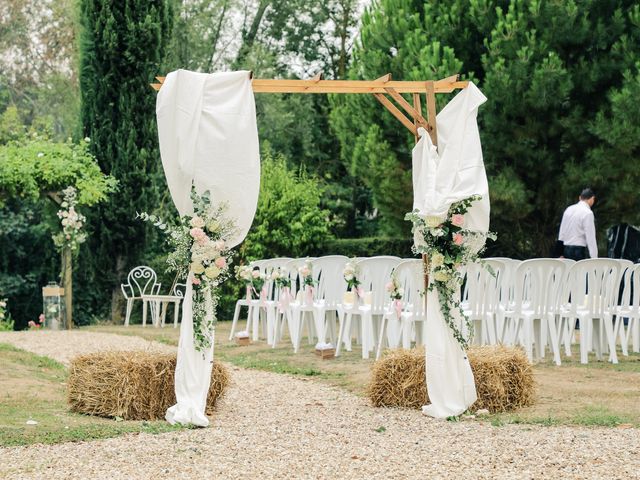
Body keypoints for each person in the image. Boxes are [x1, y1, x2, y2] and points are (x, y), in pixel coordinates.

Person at [557, 188, 598, 260]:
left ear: (580, 198)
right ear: (592, 199)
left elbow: (562, 233)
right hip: (579, 250)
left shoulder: (568, 209)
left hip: (566, 248)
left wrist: (559, 252)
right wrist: (594, 258)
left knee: (568, 271)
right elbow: (590, 238)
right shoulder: (588, 213)